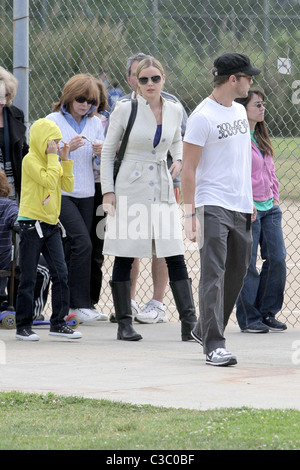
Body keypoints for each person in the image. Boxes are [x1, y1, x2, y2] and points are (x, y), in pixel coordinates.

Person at [101, 56, 197, 342]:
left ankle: (189, 324)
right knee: (126, 252)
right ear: (136, 82)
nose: (150, 84)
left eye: (155, 78)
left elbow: (178, 140)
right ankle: (125, 323)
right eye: (144, 79)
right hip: (131, 185)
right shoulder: (125, 109)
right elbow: (107, 152)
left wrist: (178, 159)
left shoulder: (175, 109)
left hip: (163, 187)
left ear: (163, 79)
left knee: (174, 252)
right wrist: (109, 191)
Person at [181, 52, 261, 366]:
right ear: (232, 79)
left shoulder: (240, 113)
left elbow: (239, 160)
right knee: (213, 273)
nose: (251, 82)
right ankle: (214, 344)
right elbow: (188, 168)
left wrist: (249, 198)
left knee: (238, 271)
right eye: (247, 77)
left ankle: (203, 328)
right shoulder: (202, 116)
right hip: (211, 204)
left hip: (240, 204)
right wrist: (189, 214)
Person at [46, 73, 107, 323]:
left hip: (87, 193)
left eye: (91, 101)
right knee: (83, 243)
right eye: (81, 99)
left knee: (75, 247)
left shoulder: (95, 123)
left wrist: (100, 153)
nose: (86, 105)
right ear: (69, 97)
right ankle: (79, 304)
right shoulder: (53, 121)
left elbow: (98, 165)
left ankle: (68, 307)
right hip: (62, 193)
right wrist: (66, 151)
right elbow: (43, 156)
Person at [15, 118, 82, 341]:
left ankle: (58, 323)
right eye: (51, 141)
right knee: (28, 277)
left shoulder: (53, 160)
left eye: (57, 141)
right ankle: (23, 325)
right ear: (41, 140)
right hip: (31, 224)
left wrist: (66, 160)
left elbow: (67, 185)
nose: (54, 145)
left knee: (61, 274)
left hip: (51, 225)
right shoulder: (30, 160)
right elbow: (48, 180)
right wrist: (55, 159)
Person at [235, 90, 287, 333]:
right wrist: (248, 201)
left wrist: (275, 198)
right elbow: (236, 172)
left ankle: (267, 312)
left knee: (276, 259)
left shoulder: (261, 135)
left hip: (270, 208)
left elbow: (270, 171)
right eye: (257, 104)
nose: (262, 108)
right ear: (243, 108)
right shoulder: (238, 137)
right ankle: (249, 318)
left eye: (263, 104)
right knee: (248, 264)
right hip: (249, 208)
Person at [89, 79, 109, 311]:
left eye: (93, 100)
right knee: (78, 244)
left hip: (101, 189)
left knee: (96, 245)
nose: (88, 104)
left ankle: (91, 300)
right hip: (78, 188)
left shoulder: (107, 122)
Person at [0, 67, 28, 203]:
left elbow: (23, 150)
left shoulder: (16, 115)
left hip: (11, 185)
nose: (2, 102)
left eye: (5, 96)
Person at [0, 170, 19, 303]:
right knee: (43, 268)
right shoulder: (7, 205)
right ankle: (32, 311)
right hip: (3, 260)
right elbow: (18, 221)